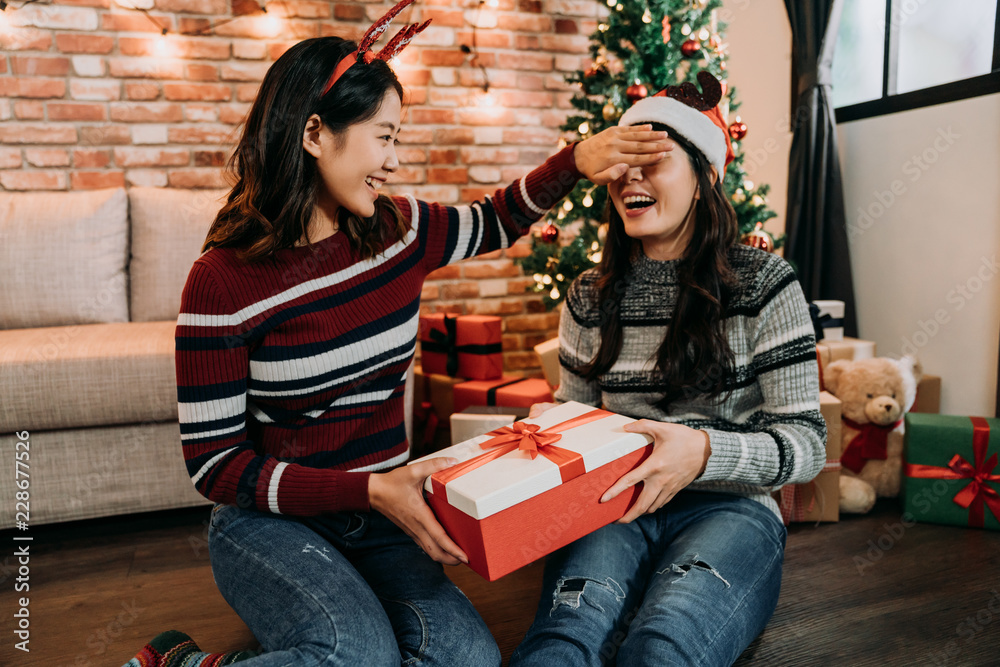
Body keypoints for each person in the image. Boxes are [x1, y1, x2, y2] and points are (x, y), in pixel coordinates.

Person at [123, 2, 672, 666]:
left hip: (385, 514)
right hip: (269, 527)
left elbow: (494, 219)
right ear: (315, 133)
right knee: (357, 655)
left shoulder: (400, 229)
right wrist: (367, 488)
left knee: (469, 659)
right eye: (382, 136)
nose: (392, 160)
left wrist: (575, 160)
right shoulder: (221, 281)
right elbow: (214, 465)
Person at [510, 72, 828, 667]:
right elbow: (575, 416)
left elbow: (808, 446)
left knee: (663, 644)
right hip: (611, 501)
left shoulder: (763, 283)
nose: (629, 178)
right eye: (620, 165)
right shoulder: (588, 296)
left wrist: (703, 452)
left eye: (651, 161)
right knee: (563, 642)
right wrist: (552, 427)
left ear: (705, 175)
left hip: (730, 507)